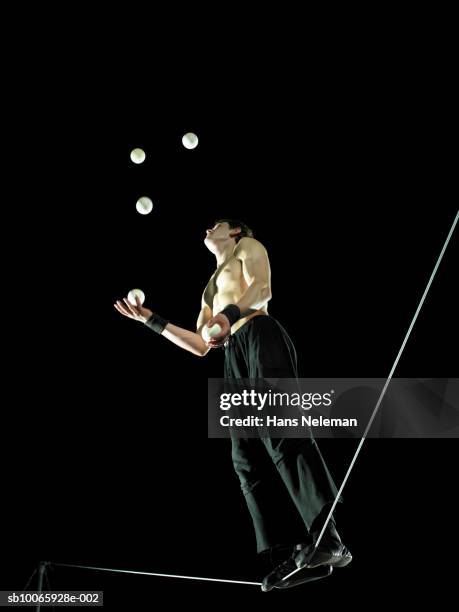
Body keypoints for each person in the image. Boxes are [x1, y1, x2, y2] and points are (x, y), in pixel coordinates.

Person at [114, 219, 351, 591]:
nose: (208, 228)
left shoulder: (248, 248)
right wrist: (151, 321)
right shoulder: (210, 286)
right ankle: (291, 552)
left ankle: (328, 538)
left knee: (282, 432)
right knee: (244, 458)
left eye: (217, 224)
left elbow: (262, 287)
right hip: (233, 356)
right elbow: (199, 344)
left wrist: (229, 317)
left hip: (259, 332)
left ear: (236, 232)